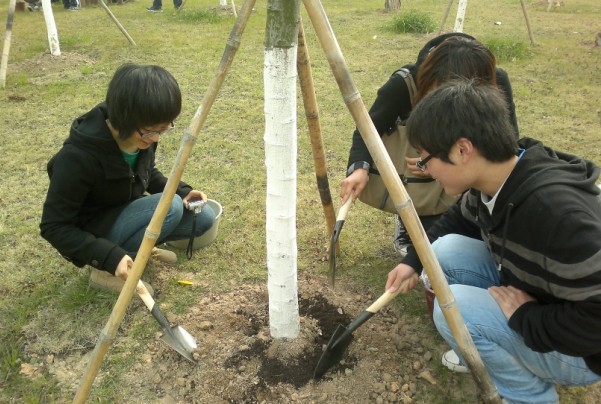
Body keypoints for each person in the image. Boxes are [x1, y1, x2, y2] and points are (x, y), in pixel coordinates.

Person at [385, 79, 601, 402]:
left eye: (427, 159)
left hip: (584, 349)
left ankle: (528, 396)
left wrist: (527, 318)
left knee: (451, 311)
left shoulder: (556, 218)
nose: (426, 170)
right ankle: (490, 344)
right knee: (441, 252)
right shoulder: (499, 175)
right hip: (544, 296)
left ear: (462, 150)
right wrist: (412, 261)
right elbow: (459, 219)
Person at [40, 63, 216, 294]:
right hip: (94, 230)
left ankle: (139, 248)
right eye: (151, 131)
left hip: (125, 210)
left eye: (164, 130)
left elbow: (145, 174)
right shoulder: (76, 158)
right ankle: (106, 270)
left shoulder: (140, 137)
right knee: (170, 206)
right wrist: (108, 256)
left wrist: (182, 191)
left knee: (202, 217)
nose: (156, 139)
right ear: (124, 118)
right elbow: (53, 226)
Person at [340, 33, 519, 256]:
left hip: (463, 169)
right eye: (438, 94)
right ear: (427, 78)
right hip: (416, 175)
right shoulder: (405, 84)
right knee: (433, 247)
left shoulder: (495, 82)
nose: (446, 104)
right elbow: (368, 129)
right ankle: (411, 216)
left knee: (461, 242)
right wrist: (359, 168)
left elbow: (507, 144)